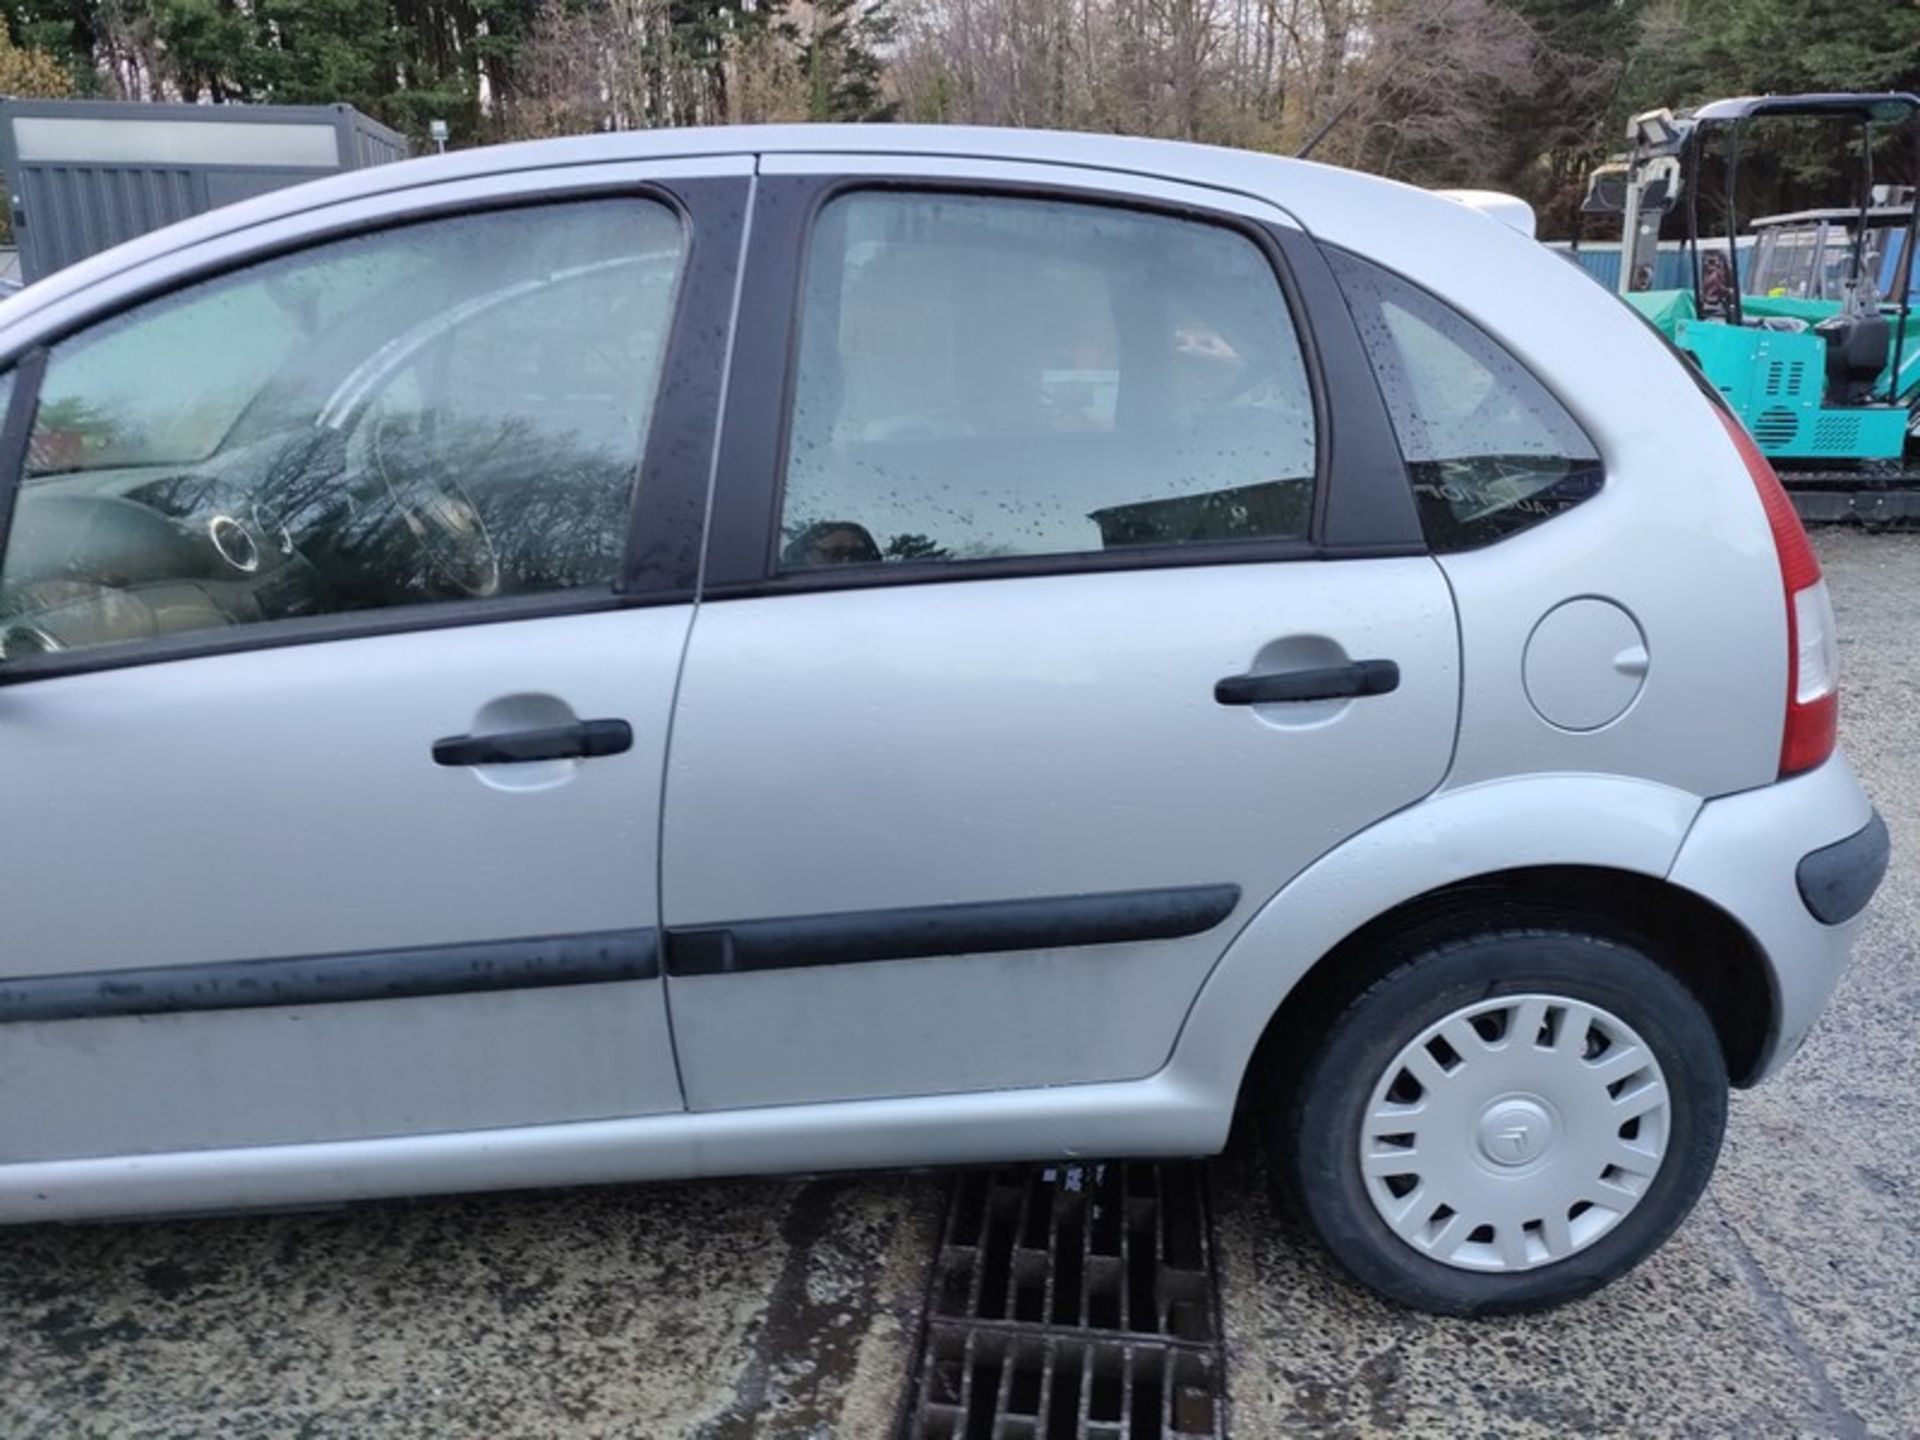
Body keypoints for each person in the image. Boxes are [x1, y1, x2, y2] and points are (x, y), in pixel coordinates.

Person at [782, 520, 882, 568]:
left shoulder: (884, 590)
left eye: (858, 554)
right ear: (807, 555)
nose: (846, 562)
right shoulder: (788, 596)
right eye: (834, 554)